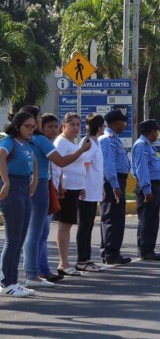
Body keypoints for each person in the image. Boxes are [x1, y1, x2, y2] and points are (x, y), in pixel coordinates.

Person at [22, 106, 91, 287]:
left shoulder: (31, 140)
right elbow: (60, 162)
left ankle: (40, 270)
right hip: (39, 187)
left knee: (41, 233)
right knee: (34, 233)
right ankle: (31, 273)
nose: (35, 124)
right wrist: (82, 150)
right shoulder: (38, 140)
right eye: (39, 120)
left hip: (42, 186)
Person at [0, 112, 38, 297]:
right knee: (13, 239)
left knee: (20, 238)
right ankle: (6, 282)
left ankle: (14, 281)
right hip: (13, 189)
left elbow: (34, 161)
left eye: (33, 126)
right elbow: (0, 155)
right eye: (27, 126)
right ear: (17, 127)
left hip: (24, 188)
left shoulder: (26, 144)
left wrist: (35, 180)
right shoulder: (10, 141)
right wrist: (6, 182)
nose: (31, 129)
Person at [54, 113, 89, 276]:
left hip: (74, 187)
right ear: (64, 126)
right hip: (66, 188)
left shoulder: (71, 142)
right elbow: (58, 164)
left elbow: (75, 165)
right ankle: (63, 262)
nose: (76, 128)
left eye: (78, 125)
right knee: (64, 225)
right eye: (73, 125)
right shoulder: (61, 141)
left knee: (67, 225)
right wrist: (60, 185)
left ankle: (65, 261)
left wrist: (81, 185)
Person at [71, 114, 105, 274]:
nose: (104, 129)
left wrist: (101, 188)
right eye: (103, 126)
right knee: (84, 226)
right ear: (99, 128)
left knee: (89, 226)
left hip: (94, 190)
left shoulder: (96, 143)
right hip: (86, 191)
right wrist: (82, 186)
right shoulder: (88, 143)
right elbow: (83, 165)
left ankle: (87, 258)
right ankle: (82, 260)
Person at [99, 109, 131, 265]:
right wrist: (115, 185)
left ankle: (109, 251)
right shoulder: (107, 139)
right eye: (122, 122)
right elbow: (108, 164)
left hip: (117, 180)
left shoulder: (115, 139)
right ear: (114, 123)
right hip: (113, 181)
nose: (124, 125)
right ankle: (111, 253)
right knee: (113, 218)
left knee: (115, 217)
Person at [132, 120, 160, 260]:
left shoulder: (148, 146)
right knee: (146, 219)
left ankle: (149, 249)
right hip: (149, 186)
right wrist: (147, 190)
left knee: (152, 219)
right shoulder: (141, 146)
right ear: (151, 132)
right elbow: (142, 169)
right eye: (156, 132)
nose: (157, 135)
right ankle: (145, 250)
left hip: (155, 185)